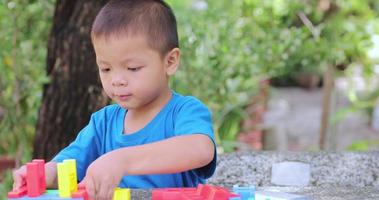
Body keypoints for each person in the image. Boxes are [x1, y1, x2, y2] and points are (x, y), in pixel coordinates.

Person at [12, 0, 216, 199]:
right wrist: (41, 175)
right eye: (106, 69)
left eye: (133, 68)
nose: (117, 81)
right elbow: (68, 167)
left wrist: (122, 160)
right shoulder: (103, 123)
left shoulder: (184, 111)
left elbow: (200, 149)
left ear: (170, 61)